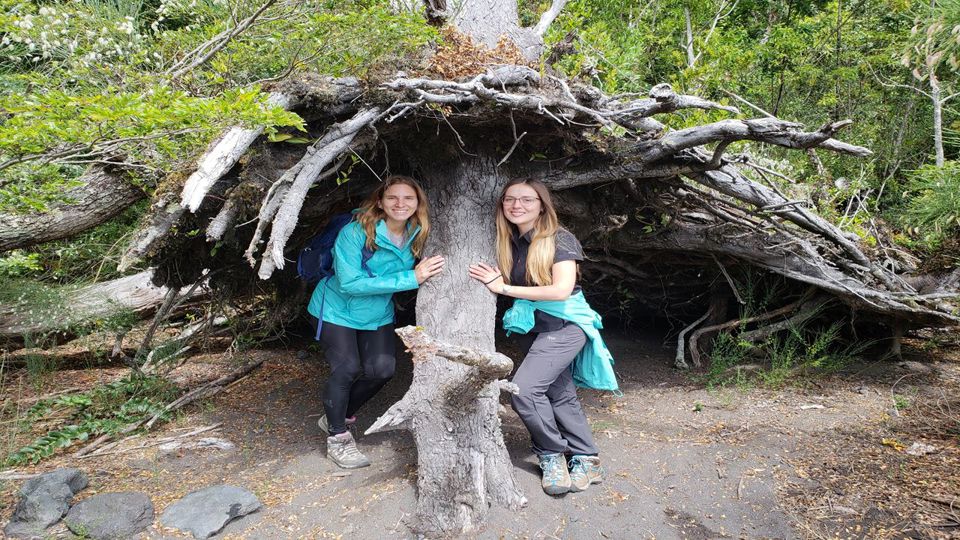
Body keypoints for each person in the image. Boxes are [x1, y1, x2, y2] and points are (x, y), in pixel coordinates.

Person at [468, 177, 617, 496]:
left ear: (542, 205)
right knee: (560, 393)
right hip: (532, 326)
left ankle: (551, 454)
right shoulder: (509, 240)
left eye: (526, 200)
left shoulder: (560, 239)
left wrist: (503, 288)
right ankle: (587, 458)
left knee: (524, 391)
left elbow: (561, 289)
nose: (516, 205)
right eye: (509, 199)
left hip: (565, 325)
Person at [308, 175, 444, 469]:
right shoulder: (355, 232)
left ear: (418, 203)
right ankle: (338, 438)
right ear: (380, 202)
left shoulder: (418, 232)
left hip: (377, 312)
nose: (400, 204)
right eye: (393, 197)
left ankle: (337, 414)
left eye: (408, 198)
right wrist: (412, 278)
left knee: (382, 370)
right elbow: (349, 283)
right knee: (347, 368)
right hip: (335, 309)